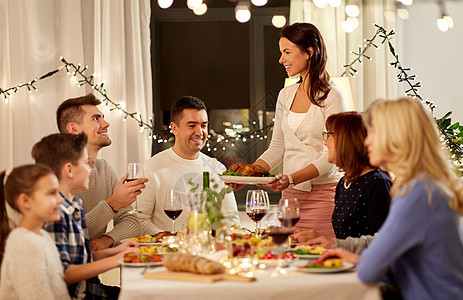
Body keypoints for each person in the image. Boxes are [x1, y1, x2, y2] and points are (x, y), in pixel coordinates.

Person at [316, 98, 463, 300]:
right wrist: (353, 255)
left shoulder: (417, 194)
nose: (366, 141)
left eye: (373, 132)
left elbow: (369, 271)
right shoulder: (426, 187)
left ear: (396, 137)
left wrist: (358, 259)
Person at [238, 23, 347, 238]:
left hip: (323, 197)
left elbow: (333, 155)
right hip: (290, 200)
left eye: (287, 52)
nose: (281, 60)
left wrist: (291, 177)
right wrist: (246, 174)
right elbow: (277, 147)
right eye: (281, 53)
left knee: (318, 260)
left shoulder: (333, 96)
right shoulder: (285, 95)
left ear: (309, 52)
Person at [32, 133, 139, 299]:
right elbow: (64, 272)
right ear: (69, 169)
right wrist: (117, 260)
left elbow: (83, 258)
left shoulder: (75, 207)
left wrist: (118, 251)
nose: (91, 168)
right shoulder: (53, 213)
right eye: (86, 163)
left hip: (92, 290)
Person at [56, 94, 147, 250]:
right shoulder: (55, 173)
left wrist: (107, 239)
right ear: (73, 129)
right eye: (96, 118)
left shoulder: (103, 168)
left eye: (102, 117)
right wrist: (113, 203)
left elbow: (132, 222)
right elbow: (67, 233)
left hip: (93, 266)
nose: (106, 124)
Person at [137, 96, 240, 234]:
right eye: (192, 125)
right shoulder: (151, 168)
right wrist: (170, 239)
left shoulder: (217, 169)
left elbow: (231, 221)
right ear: (174, 128)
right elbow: (139, 220)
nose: (199, 132)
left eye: (203, 125)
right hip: (166, 252)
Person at [0, 164, 70, 299]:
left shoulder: (42, 235)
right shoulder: (24, 245)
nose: (61, 199)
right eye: (51, 193)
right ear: (25, 201)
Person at [324, 112, 391, 238]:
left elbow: (383, 242)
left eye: (329, 136)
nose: (325, 143)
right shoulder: (344, 183)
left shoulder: (377, 184)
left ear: (346, 140)